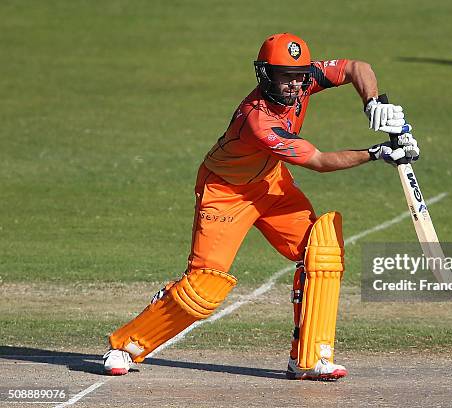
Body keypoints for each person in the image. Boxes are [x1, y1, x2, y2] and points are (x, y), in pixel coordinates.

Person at [102, 32, 419, 381]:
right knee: (203, 289)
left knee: (322, 250)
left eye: (298, 76)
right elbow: (318, 160)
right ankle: (126, 345)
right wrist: (377, 153)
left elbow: (358, 67)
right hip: (225, 192)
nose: (294, 85)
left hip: (269, 182)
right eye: (284, 76)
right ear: (266, 75)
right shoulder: (258, 120)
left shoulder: (304, 80)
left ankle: (310, 359)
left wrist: (373, 104)